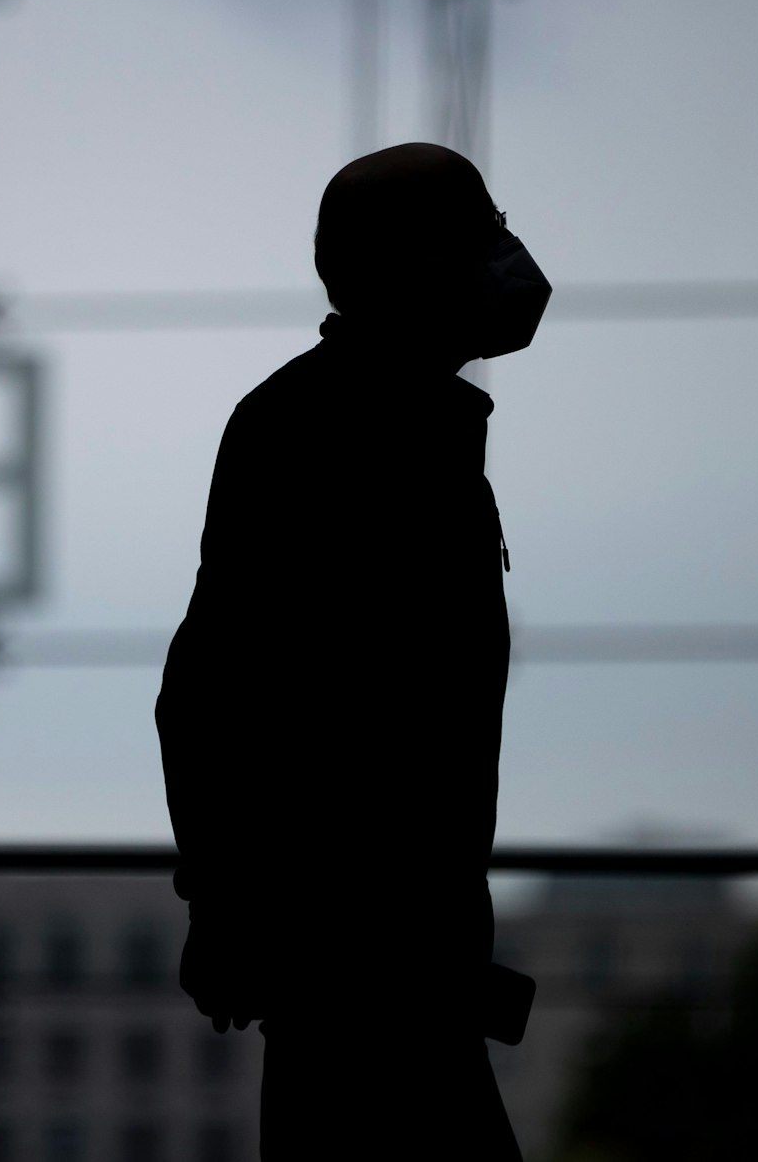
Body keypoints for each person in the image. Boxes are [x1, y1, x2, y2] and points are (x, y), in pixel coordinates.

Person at [155, 142, 551, 1159]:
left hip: (390, 962)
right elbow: (210, 690)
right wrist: (227, 902)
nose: (505, 256)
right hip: (361, 964)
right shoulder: (316, 429)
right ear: (410, 267)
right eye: (481, 232)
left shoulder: (400, 420)